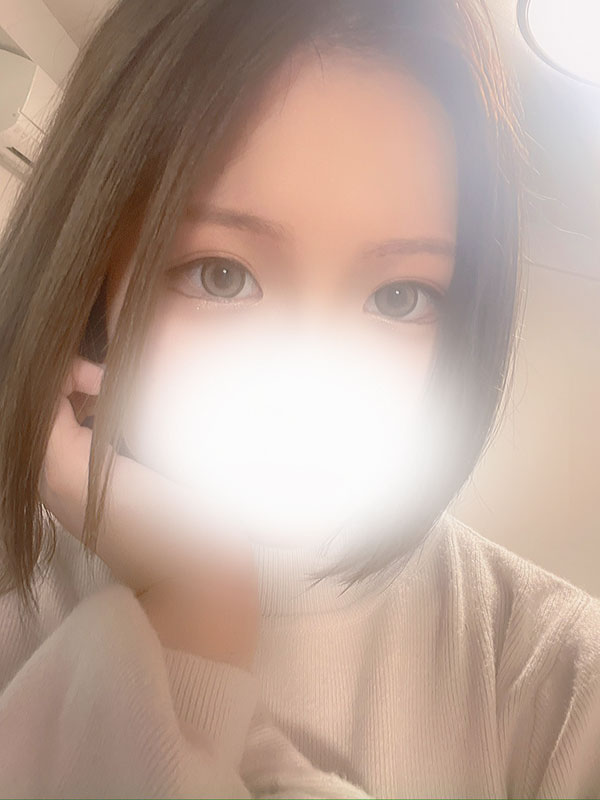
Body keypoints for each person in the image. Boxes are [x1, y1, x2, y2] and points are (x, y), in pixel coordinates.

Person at [0, 0, 599, 797]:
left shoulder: (560, 688)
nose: (311, 381)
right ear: (91, 272)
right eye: (223, 276)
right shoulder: (18, 602)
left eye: (398, 297)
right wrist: (197, 588)